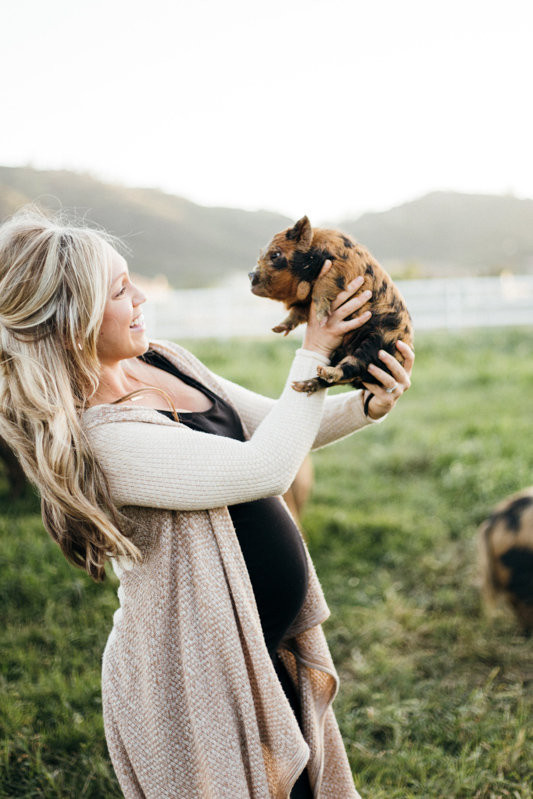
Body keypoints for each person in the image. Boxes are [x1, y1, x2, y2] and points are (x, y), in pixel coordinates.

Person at [0, 207, 413, 799]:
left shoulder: (163, 358)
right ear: (74, 318)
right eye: (120, 290)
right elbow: (266, 468)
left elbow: (274, 429)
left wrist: (367, 406)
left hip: (256, 645)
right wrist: (315, 349)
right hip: (193, 671)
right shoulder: (102, 438)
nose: (141, 296)